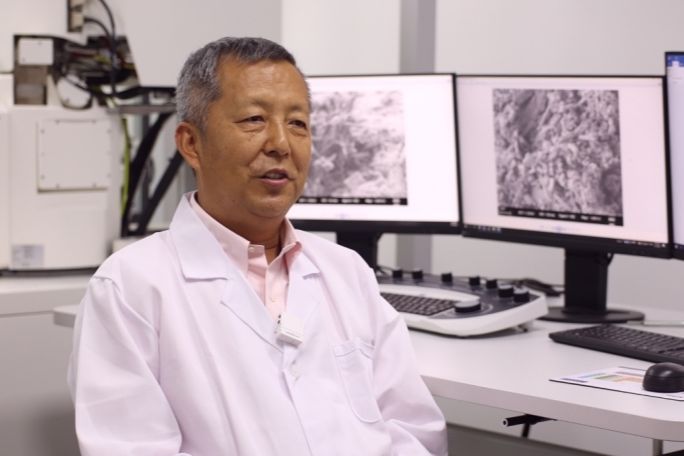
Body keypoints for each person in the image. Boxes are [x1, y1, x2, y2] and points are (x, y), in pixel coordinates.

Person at [68, 36, 448, 456]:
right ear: (191, 144)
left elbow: (414, 429)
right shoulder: (129, 288)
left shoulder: (347, 272)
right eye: (254, 119)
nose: (281, 143)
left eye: (298, 123)